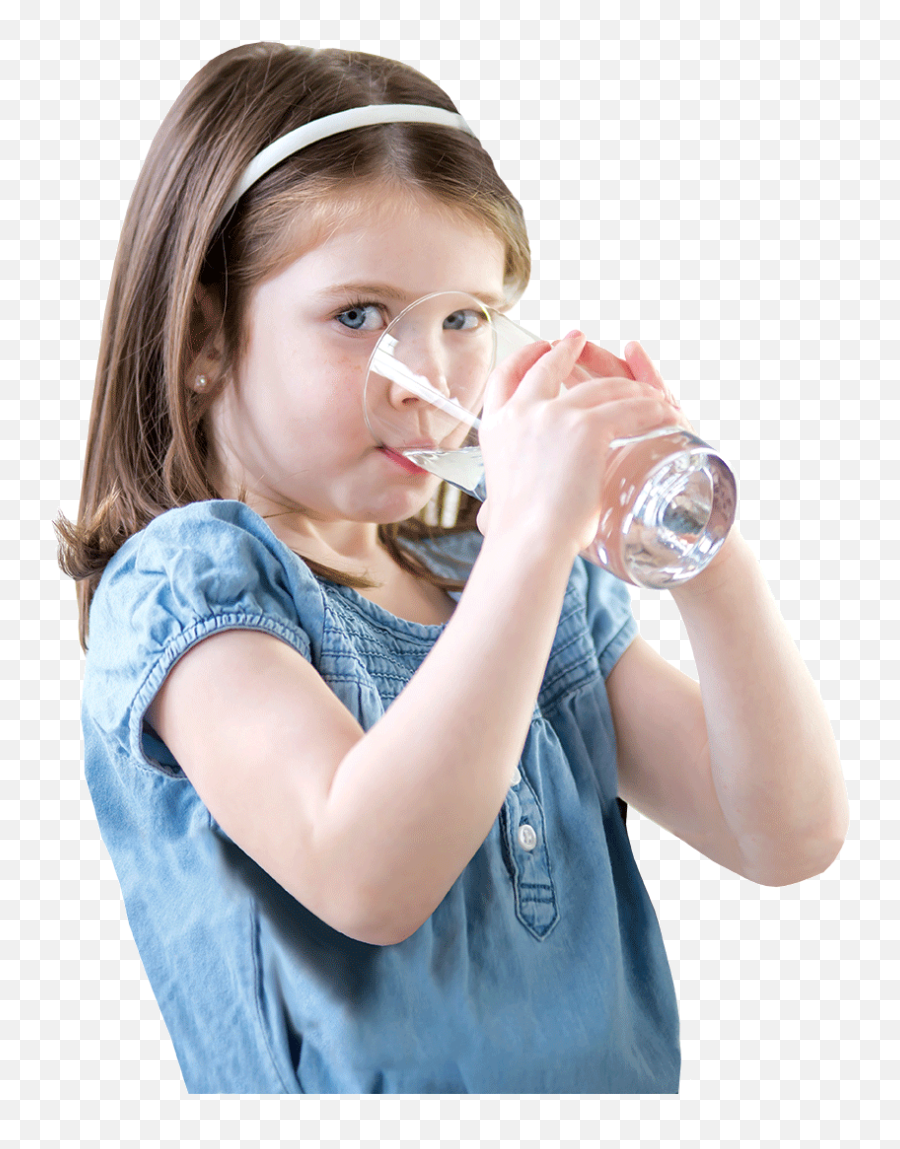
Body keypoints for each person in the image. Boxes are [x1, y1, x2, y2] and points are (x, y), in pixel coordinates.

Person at [56, 42, 849, 1094]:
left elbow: (783, 834)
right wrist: (527, 537)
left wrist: (703, 547)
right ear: (205, 337)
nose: (427, 381)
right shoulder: (196, 591)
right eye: (359, 317)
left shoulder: (501, 579)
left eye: (466, 319)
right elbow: (365, 872)